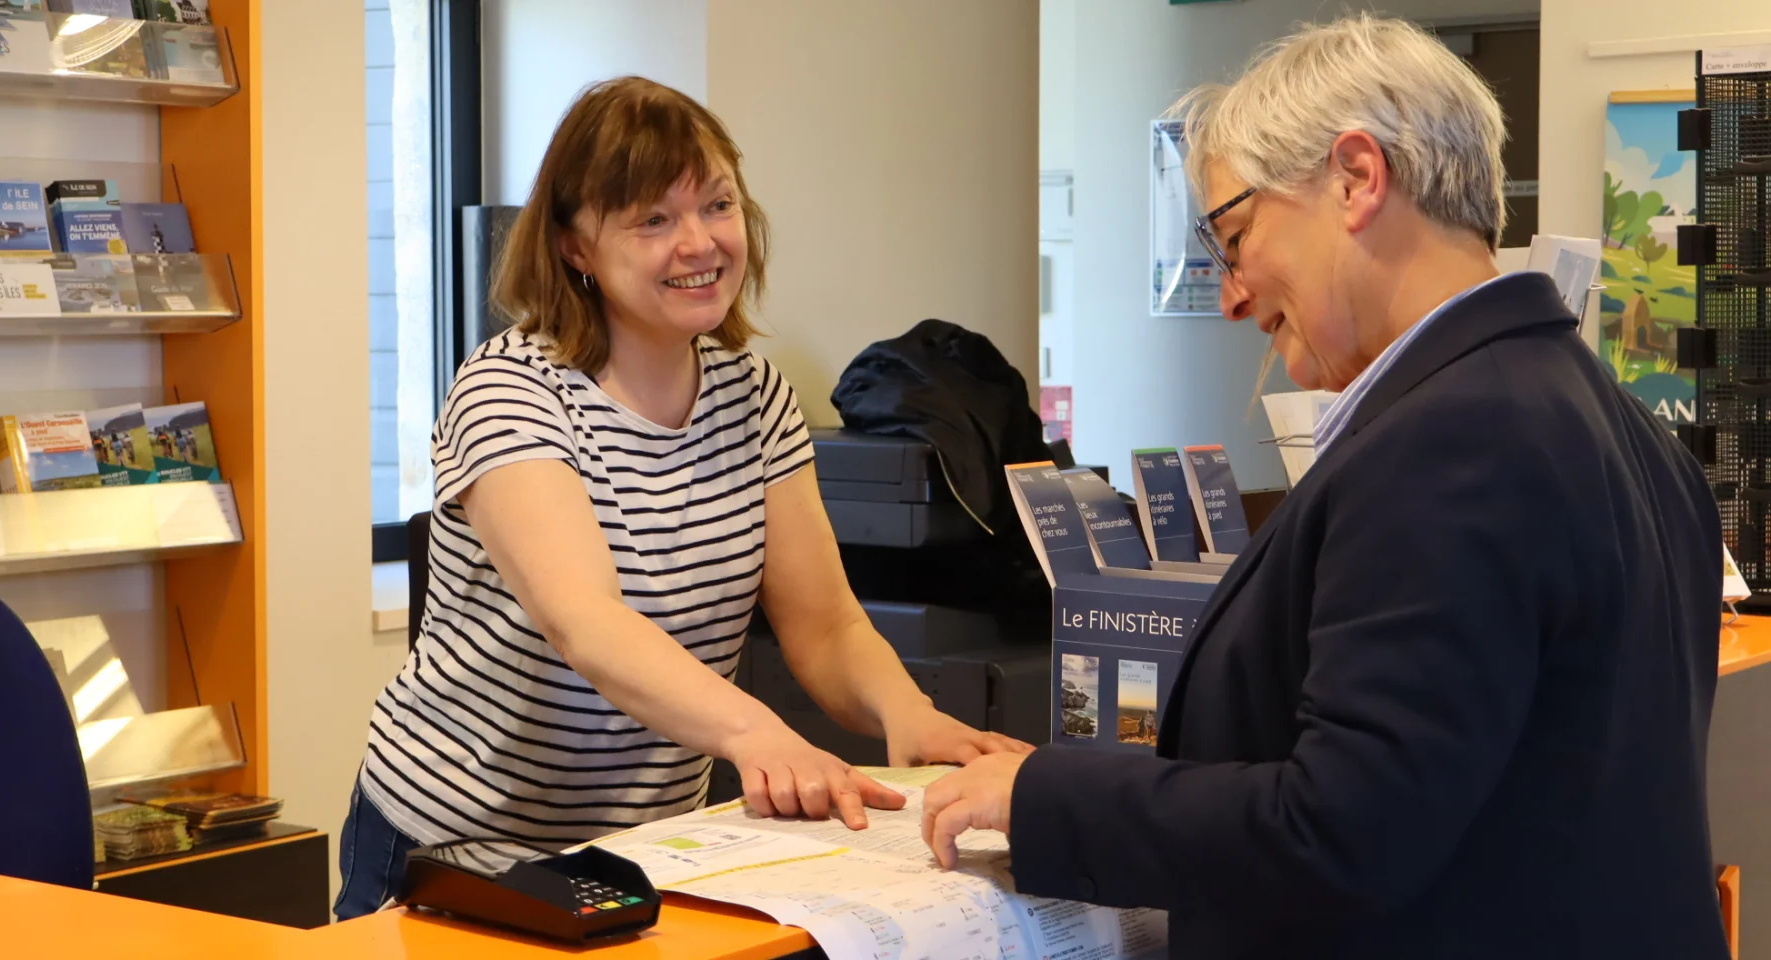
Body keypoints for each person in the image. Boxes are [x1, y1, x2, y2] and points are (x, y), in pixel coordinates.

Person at [922, 15, 1727, 959]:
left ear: (1356, 178)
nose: (1228, 295)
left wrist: (1048, 799)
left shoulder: (1451, 444)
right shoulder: (1611, 421)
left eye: (1234, 233)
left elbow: (1344, 831)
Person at [336, 76, 1030, 921]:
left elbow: (826, 625)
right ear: (574, 246)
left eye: (717, 205)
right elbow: (587, 622)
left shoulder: (756, 396)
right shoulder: (510, 393)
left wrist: (906, 715)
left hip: (648, 846)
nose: (699, 243)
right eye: (653, 220)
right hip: (459, 845)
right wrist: (758, 736)